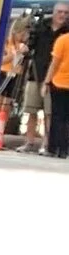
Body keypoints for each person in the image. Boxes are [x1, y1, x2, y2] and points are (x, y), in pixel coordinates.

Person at [46, 17, 69, 158]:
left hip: (59, 83)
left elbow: (54, 63)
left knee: (57, 117)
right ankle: (66, 148)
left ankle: (54, 148)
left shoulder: (62, 40)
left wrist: (47, 82)